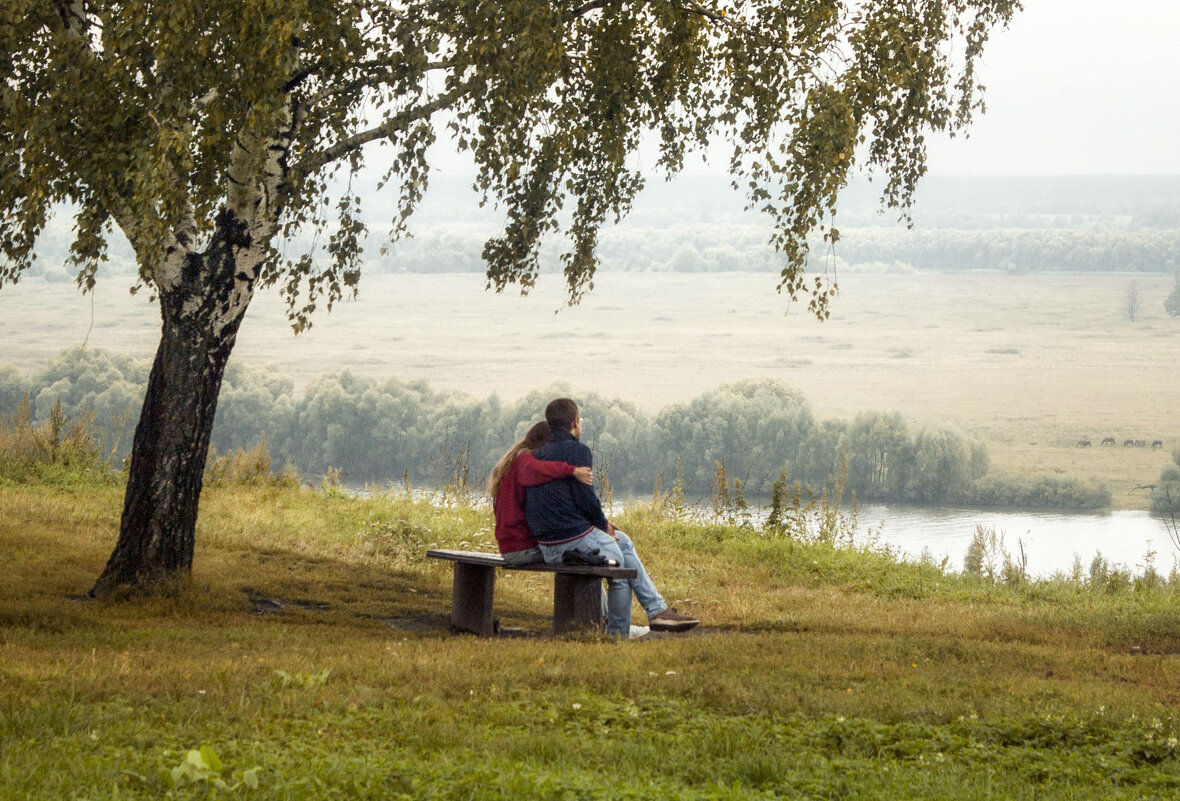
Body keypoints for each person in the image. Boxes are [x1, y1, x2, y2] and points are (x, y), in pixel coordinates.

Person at [526, 397, 700, 637]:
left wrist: (603, 526)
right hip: (569, 541)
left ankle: (656, 610)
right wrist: (601, 524)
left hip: (547, 544)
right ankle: (619, 633)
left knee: (622, 542)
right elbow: (585, 498)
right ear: (575, 422)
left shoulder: (537, 456)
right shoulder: (578, 451)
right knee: (619, 569)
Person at [487, 421, 593, 566]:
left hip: (510, 547)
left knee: (579, 556)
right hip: (523, 548)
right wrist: (572, 470)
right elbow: (538, 468)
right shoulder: (524, 459)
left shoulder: (512, 460)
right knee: (579, 555)